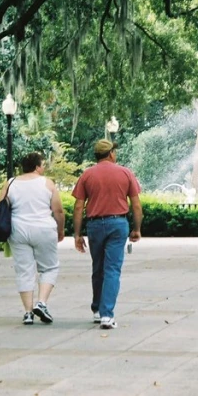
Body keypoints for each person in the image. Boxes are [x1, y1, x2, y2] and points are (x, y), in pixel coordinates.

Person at [72, 139, 142, 330]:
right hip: (118, 224)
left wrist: (77, 234)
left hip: (95, 225)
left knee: (98, 267)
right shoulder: (125, 173)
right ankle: (107, 314)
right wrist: (137, 228)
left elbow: (78, 207)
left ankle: (97, 309)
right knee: (112, 269)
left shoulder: (87, 175)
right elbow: (136, 204)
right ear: (111, 153)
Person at [2, 153, 65, 325]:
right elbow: (58, 210)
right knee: (50, 267)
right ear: (37, 166)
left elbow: (1, 206)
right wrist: (60, 230)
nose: (43, 168)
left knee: (24, 270)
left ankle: (28, 313)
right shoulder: (47, 183)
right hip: (44, 229)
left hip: (18, 230)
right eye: (43, 164)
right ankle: (41, 303)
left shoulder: (11, 183)